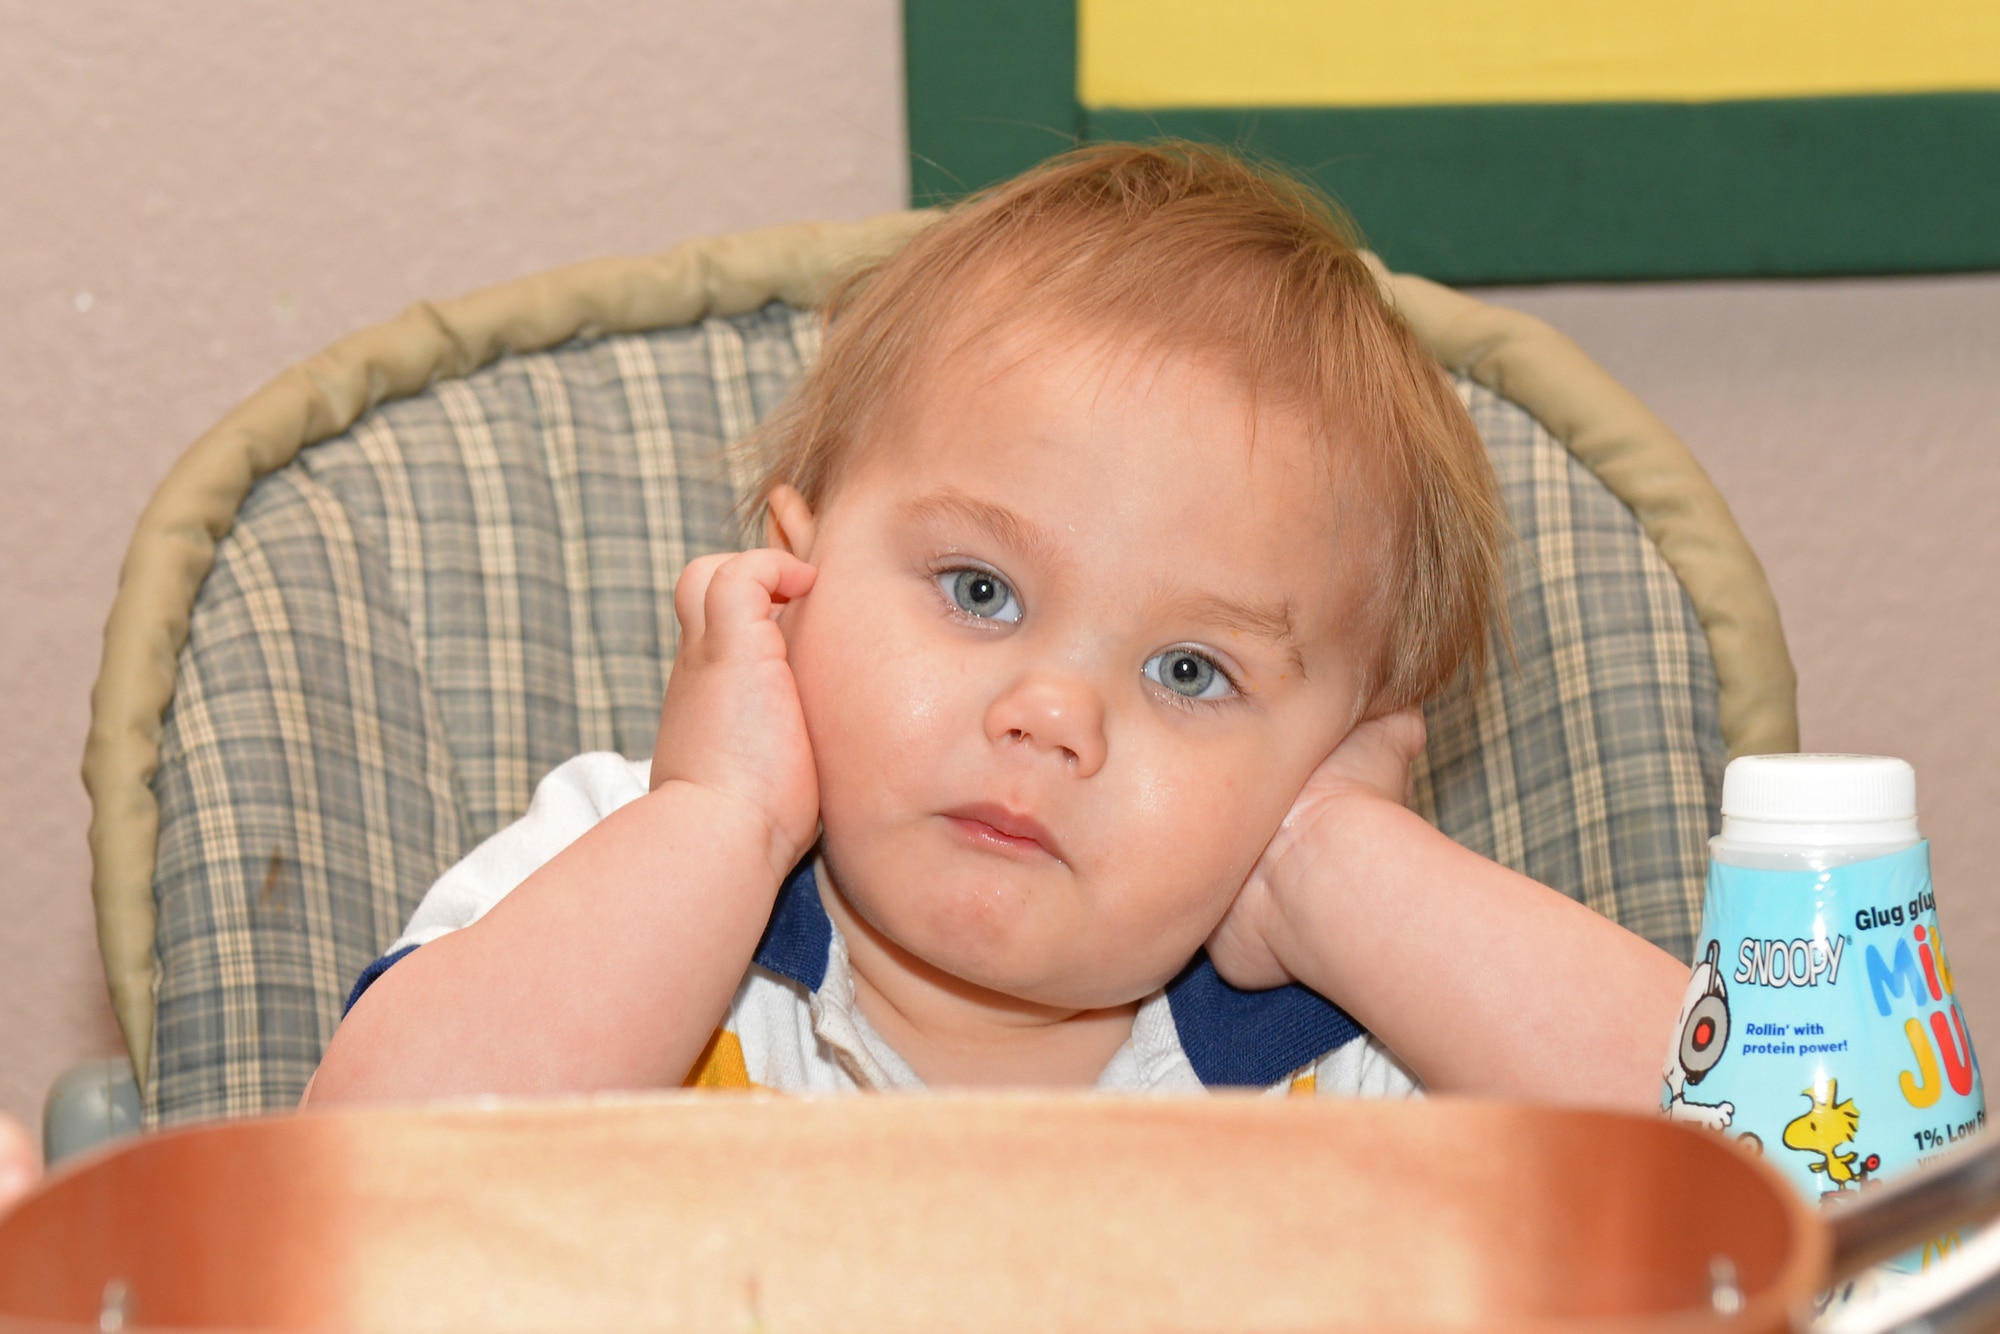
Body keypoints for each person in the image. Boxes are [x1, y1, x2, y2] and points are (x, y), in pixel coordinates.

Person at [306, 143, 1686, 1109]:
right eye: (980, 591)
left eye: (1192, 671)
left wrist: (1344, 871)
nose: (1052, 714)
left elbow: (1832, 1217)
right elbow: (345, 1194)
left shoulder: (1356, 1046)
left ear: (1339, 757)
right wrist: (715, 824)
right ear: (788, 592)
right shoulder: (624, 884)